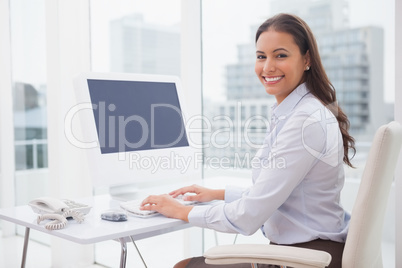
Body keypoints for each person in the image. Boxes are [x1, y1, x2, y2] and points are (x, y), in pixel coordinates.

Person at [140, 13, 355, 268]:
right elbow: (274, 191)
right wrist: (217, 193)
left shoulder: (304, 121)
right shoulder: (299, 111)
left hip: (308, 259)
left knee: (185, 266)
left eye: (281, 55)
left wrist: (181, 211)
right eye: (261, 56)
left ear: (306, 59)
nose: (267, 67)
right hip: (309, 252)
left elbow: (248, 217)